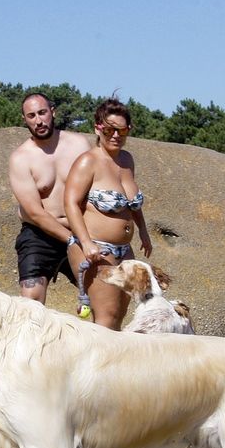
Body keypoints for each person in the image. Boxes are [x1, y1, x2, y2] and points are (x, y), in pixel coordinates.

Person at [64, 97, 153, 330]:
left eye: (122, 130)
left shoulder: (126, 160)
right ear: (98, 128)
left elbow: (131, 204)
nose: (116, 135)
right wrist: (85, 243)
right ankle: (96, 366)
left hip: (124, 249)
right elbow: (71, 203)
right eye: (110, 129)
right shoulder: (88, 162)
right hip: (95, 248)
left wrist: (143, 231)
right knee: (106, 316)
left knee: (120, 314)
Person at [7, 93, 92, 303]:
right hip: (40, 234)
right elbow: (35, 213)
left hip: (81, 227)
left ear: (52, 112)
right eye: (31, 115)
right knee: (31, 301)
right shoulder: (21, 158)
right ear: (24, 119)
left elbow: (96, 188)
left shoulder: (79, 145)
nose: (38, 120)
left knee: (101, 295)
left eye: (42, 112)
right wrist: (72, 239)